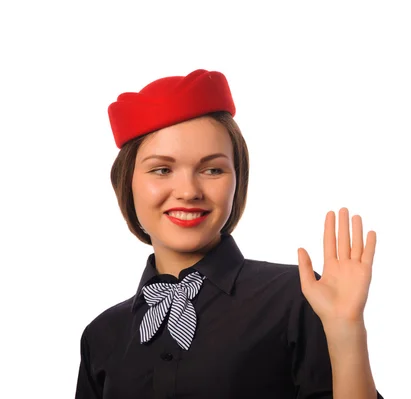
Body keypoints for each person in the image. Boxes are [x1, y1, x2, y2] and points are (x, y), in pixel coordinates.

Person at [75, 68, 384, 398]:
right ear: (128, 184)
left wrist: (346, 332)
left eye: (212, 169)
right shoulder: (102, 336)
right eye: (162, 169)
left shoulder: (299, 299)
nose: (188, 191)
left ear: (238, 182)